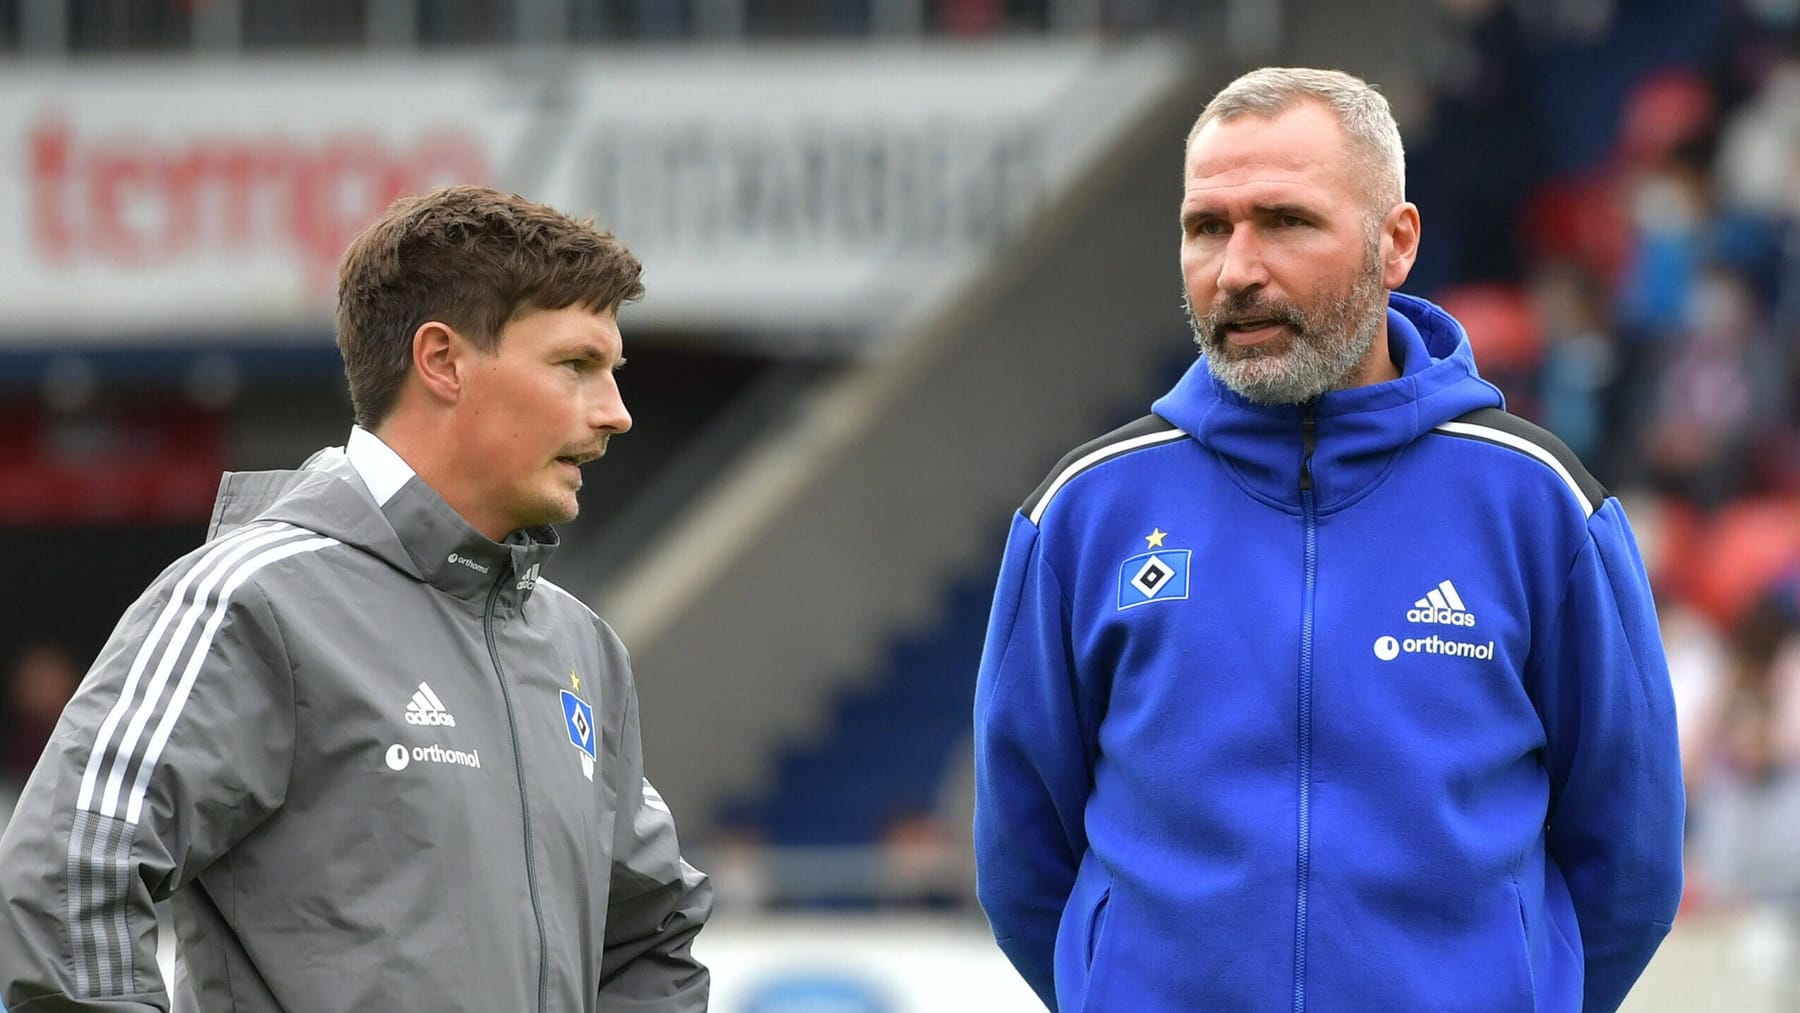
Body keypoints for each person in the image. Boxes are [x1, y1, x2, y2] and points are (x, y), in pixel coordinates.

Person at [973, 68, 1683, 1012]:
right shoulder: (1083, 511)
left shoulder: (1540, 502)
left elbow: (1628, 862)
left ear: (1396, 244)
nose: (1237, 269)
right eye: (1206, 227)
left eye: (1286, 221)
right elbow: (1024, 864)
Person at [0, 185, 712, 1012]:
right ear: (442, 360)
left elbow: (652, 932)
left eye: (611, 371)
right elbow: (69, 876)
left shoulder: (579, 645)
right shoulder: (252, 601)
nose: (616, 413)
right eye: (575, 366)